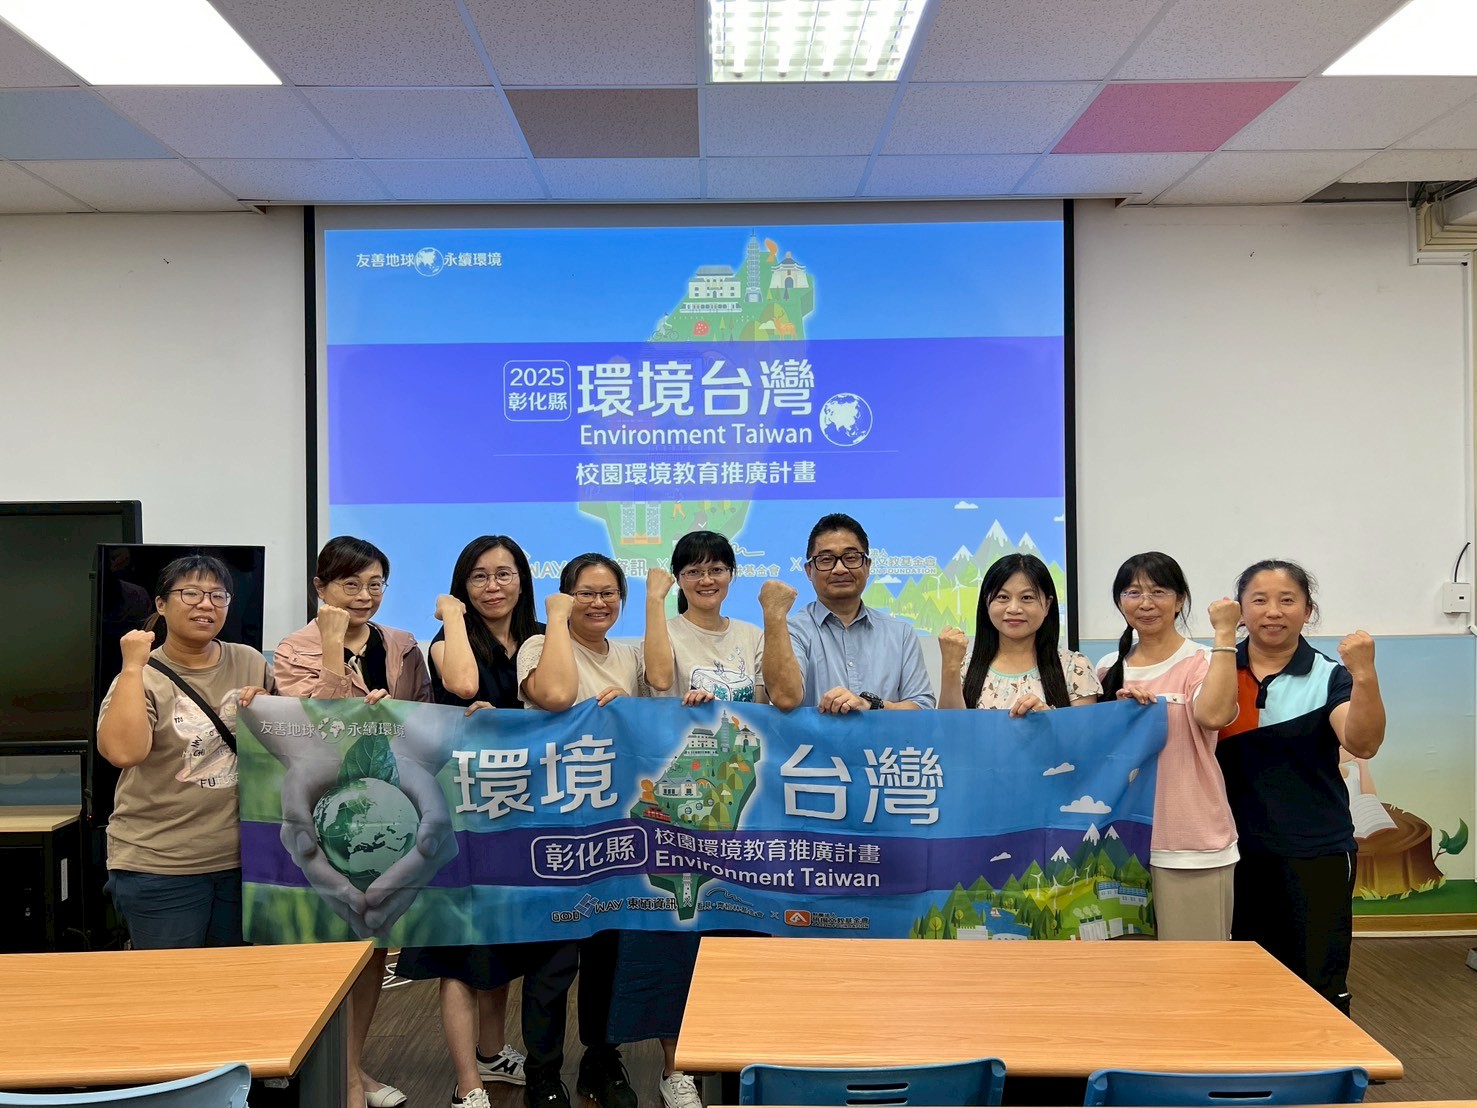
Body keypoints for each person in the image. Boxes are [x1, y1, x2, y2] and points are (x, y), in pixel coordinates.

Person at [273, 536, 431, 1108]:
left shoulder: (402, 644)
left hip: (385, 815)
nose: (365, 595)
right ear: (320, 588)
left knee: (371, 951)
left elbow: (424, 719)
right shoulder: (293, 649)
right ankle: (336, 1077)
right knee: (327, 951)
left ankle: (353, 1067)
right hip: (322, 814)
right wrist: (332, 643)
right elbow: (317, 721)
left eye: (375, 584)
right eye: (350, 584)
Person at [397, 536, 543, 1108]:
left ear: (523, 580)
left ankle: (491, 1051)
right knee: (459, 950)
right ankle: (468, 1084)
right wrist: (452, 616)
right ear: (462, 587)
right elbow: (462, 685)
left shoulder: (538, 638)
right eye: (479, 576)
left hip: (520, 809)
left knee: (500, 939)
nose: (493, 586)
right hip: (459, 811)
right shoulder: (448, 640)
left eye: (504, 574)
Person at [1216, 559, 1385, 1015]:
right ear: (1240, 610)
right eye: (1259, 600)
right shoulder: (1217, 669)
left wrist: (1365, 674)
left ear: (1307, 611)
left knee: (1316, 980)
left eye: (1287, 600)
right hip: (1232, 853)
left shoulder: (1329, 675)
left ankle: (1324, 1060)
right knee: (1243, 980)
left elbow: (1363, 743)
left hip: (1315, 851)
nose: (1273, 611)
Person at [631, 531, 758, 1108]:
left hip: (742, 803)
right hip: (682, 799)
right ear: (679, 579)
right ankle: (675, 1067)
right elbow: (660, 680)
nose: (707, 580)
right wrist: (653, 601)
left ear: (732, 574)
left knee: (738, 933)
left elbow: (776, 703)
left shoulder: (752, 635)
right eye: (694, 571)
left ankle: (737, 1052)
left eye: (717, 569)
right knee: (680, 935)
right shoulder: (665, 630)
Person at [516, 553, 643, 1108]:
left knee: (608, 955)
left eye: (608, 592)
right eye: (585, 593)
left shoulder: (630, 655)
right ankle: (543, 1073)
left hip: (616, 823)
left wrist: (629, 707)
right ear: (566, 598)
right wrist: (557, 621)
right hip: (556, 824)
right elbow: (555, 698)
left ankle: (601, 1059)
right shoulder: (539, 645)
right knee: (553, 956)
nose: (599, 602)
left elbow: (650, 728)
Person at [96, 554, 271, 949]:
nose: (206, 604)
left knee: (236, 981)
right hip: (160, 865)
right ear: (161, 604)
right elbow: (123, 752)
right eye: (190, 593)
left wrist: (268, 708)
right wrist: (132, 667)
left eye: (217, 595)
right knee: (173, 984)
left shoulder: (249, 661)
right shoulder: (143, 674)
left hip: (242, 864)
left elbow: (291, 739)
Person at [1093, 552, 1240, 940]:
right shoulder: (1107, 668)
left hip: (1187, 842)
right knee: (1127, 969)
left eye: (1158, 591)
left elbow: (1214, 715)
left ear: (1179, 600)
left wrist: (1225, 635)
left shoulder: (1203, 660)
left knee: (1195, 967)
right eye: (1133, 592)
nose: (1145, 603)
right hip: (1119, 842)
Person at [761, 512, 934, 712]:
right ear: (809, 570)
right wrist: (774, 614)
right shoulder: (792, 630)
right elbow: (784, 698)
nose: (840, 569)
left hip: (882, 735)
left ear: (867, 566)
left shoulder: (900, 633)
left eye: (851, 558)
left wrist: (871, 705)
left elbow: (922, 708)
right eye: (826, 559)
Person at [938, 553, 1100, 712]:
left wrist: (1048, 720)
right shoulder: (966, 666)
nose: (1014, 608)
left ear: (1047, 605)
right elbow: (950, 726)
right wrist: (950, 667)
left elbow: (1084, 730)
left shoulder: (1075, 667)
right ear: (987, 602)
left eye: (1027, 598)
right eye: (1003, 597)